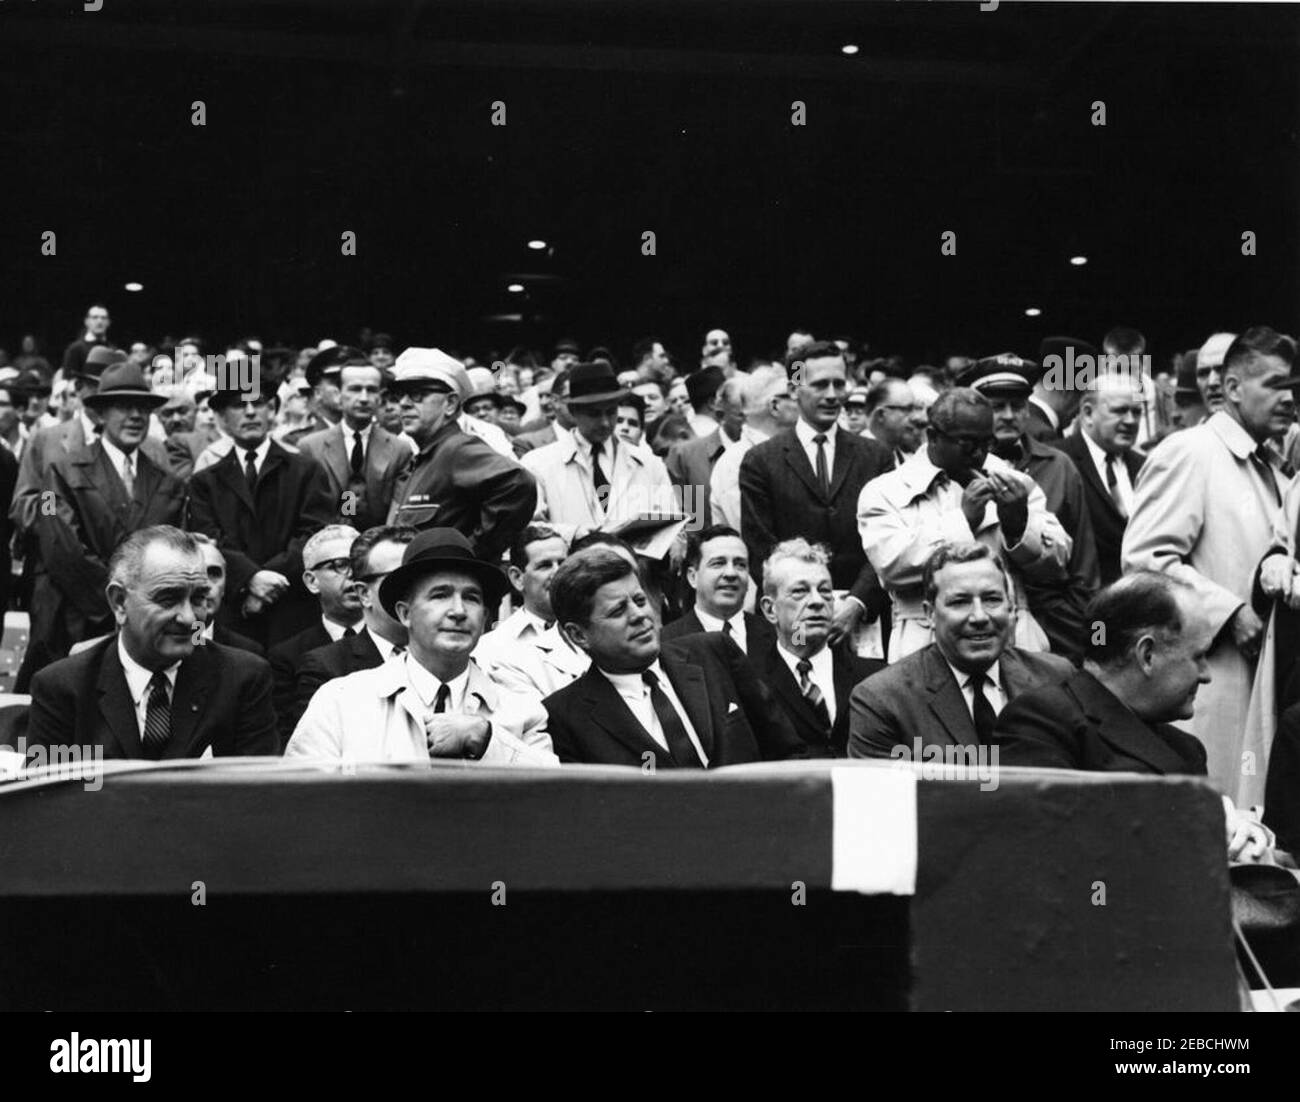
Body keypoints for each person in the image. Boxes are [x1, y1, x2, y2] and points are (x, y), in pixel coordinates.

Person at [1122, 326, 1294, 806]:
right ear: (1234, 388)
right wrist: (1229, 612)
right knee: (1217, 824)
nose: (1288, 398)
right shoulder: (1190, 452)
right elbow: (1143, 561)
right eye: (1275, 384)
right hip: (1209, 681)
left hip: (1261, 683)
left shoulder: (1272, 468)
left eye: (1293, 387)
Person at [995, 572, 1272, 863]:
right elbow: (1046, 844)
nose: (1206, 675)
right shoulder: (1040, 721)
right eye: (1198, 656)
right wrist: (1199, 822)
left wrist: (1244, 836)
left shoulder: (1186, 749)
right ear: (1147, 655)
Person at [285, 528, 558, 765]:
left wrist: (487, 740)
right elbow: (304, 802)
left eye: (472, 598)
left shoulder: (520, 707)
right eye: (440, 595)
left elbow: (553, 798)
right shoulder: (342, 701)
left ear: (485, 617)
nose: (458, 611)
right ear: (405, 614)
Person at [27, 526, 278, 759]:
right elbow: (46, 802)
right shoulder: (62, 688)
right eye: (168, 599)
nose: (189, 618)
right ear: (119, 602)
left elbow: (257, 799)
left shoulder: (244, 679)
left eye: (199, 598)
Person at [858, 387, 1072, 660]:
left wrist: (1018, 527)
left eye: (988, 442)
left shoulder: (1010, 478)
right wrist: (963, 522)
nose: (980, 453)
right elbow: (891, 566)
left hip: (1014, 642)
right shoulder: (886, 490)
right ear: (933, 436)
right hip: (926, 646)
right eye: (968, 443)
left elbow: (1059, 562)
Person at [542, 547, 807, 767]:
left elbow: (787, 753)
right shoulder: (566, 717)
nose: (639, 616)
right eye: (618, 611)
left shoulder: (715, 652)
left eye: (639, 600)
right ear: (578, 635)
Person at [25, 361, 187, 680]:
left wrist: (138, 610)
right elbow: (60, 547)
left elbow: (173, 550)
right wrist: (118, 604)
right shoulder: (60, 471)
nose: (136, 416)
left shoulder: (169, 483)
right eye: (124, 407)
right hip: (74, 617)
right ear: (101, 414)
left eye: (143, 408)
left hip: (145, 627)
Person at [847, 541, 1073, 758]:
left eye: (992, 599)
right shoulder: (883, 700)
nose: (979, 617)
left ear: (1011, 608)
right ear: (930, 614)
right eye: (960, 602)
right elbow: (882, 795)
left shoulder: (1056, 677)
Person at [740, 341, 893, 650]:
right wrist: (806, 608)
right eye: (821, 384)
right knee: (800, 686)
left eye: (839, 383)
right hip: (795, 622)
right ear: (794, 387)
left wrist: (857, 602)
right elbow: (761, 550)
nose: (833, 394)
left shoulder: (875, 456)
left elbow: (887, 542)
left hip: (863, 620)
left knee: (868, 691)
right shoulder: (761, 461)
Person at [957, 353, 1100, 661]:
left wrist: (1091, 639)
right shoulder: (956, 468)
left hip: (1053, 628)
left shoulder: (1058, 465)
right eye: (997, 407)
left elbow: (1085, 568)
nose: (1009, 415)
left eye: (1018, 406)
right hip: (975, 626)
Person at [187, 384, 337, 647]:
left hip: (295, 612)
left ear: (273, 410)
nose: (250, 412)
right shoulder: (204, 482)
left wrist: (265, 581)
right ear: (221, 418)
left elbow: (315, 537)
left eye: (258, 403)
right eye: (238, 405)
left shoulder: (307, 471)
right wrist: (248, 580)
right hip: (233, 610)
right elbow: (208, 542)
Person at [384, 348, 536, 558]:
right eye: (400, 395)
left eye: (418, 395)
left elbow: (518, 483)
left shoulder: (456, 449)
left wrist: (469, 554)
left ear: (451, 403)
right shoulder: (427, 455)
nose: (404, 403)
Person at [748, 539, 884, 757]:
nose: (816, 601)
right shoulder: (752, 684)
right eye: (800, 591)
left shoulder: (874, 678)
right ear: (769, 609)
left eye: (824, 591)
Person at [521, 360, 676, 538]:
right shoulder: (538, 464)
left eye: (611, 412)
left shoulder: (648, 463)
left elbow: (670, 517)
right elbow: (529, 528)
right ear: (573, 411)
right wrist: (574, 534)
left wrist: (676, 541)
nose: (604, 422)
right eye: (594, 414)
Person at [295, 525, 416, 713]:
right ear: (364, 593)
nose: (414, 590)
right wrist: (348, 505)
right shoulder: (321, 666)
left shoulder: (455, 653)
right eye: (340, 565)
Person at [268, 524, 364, 744]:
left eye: (358, 564)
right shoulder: (287, 657)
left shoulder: (396, 643)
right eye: (339, 565)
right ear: (312, 581)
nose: (352, 575)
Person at [296, 354, 411, 529]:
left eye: (371, 390)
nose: (364, 398)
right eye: (355, 389)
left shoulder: (399, 449)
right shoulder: (310, 447)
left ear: (379, 397)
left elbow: (398, 511)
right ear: (339, 395)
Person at [1056, 373, 1146, 585]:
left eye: (1137, 412)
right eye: (1120, 411)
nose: (1131, 421)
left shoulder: (1145, 467)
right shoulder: (1058, 461)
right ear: (1088, 413)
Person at [709, 365, 798, 534]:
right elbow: (750, 532)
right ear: (775, 406)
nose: (802, 401)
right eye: (794, 396)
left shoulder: (793, 450)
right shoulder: (735, 462)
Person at [661, 524, 775, 654]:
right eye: (718, 563)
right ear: (693, 577)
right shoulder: (667, 642)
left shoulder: (776, 635)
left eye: (740, 565)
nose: (731, 573)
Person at [473, 524, 570, 674]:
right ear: (517, 578)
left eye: (564, 564)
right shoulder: (493, 646)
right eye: (545, 565)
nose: (558, 573)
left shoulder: (596, 631)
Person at [665, 375, 743, 526]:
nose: (749, 423)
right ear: (721, 414)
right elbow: (680, 520)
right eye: (741, 416)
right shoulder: (685, 456)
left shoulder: (769, 450)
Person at [190, 534, 264, 655]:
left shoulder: (247, 653)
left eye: (214, 574)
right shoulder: (153, 647)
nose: (205, 585)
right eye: (194, 573)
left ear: (225, 586)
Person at [1025, 336, 1095, 443]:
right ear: (1066, 389)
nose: (1080, 410)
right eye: (1084, 395)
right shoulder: (1044, 435)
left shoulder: (1018, 420)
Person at [862, 378, 922, 465]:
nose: (916, 417)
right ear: (881, 414)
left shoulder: (906, 458)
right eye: (908, 409)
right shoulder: (858, 457)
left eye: (915, 409)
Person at [60, 304, 114, 379]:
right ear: (86, 321)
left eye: (103, 318)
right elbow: (68, 379)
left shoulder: (113, 350)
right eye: (95, 317)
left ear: (108, 322)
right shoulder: (75, 349)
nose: (99, 321)